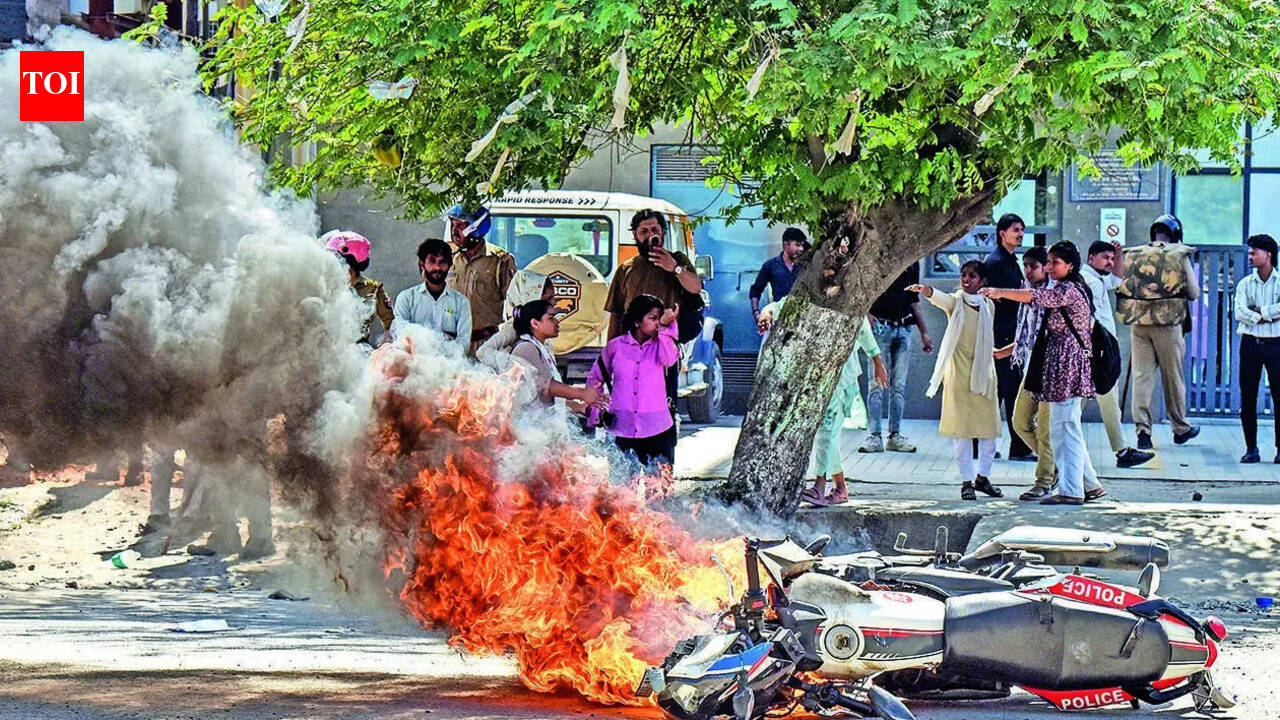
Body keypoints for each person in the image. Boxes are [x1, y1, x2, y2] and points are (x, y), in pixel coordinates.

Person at [983, 241, 1105, 506]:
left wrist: (998, 292)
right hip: (1060, 364)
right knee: (1067, 426)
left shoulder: (1069, 290)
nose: (1049, 268)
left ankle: (1071, 490)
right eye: (1048, 262)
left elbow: (1038, 298)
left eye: (1055, 263)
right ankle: (1090, 485)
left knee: (1063, 429)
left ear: (1070, 265)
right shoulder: (1070, 287)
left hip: (1067, 365)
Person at [758, 301, 889, 505]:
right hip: (813, 380)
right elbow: (782, 304)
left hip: (840, 379)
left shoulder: (850, 303)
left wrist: (877, 362)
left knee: (827, 433)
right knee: (827, 436)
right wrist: (767, 312)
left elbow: (864, 332)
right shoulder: (810, 296)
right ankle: (840, 488)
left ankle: (819, 486)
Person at [909, 262, 1004, 501]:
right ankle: (966, 482)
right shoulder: (956, 302)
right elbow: (940, 298)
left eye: (972, 276)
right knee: (962, 432)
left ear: (982, 281)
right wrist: (925, 290)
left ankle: (983, 478)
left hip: (984, 372)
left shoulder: (988, 305)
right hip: (958, 372)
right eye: (963, 275)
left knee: (989, 431)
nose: (966, 279)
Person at [1116, 214, 1201, 449]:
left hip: (1139, 323)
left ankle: (1143, 432)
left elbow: (1124, 286)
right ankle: (1180, 427)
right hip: (1168, 324)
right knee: (1173, 378)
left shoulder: (1135, 253)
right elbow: (1193, 292)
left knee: (1142, 378)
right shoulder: (1178, 253)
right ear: (1176, 234)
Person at [1082, 240, 1156, 468]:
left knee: (1106, 401)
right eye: (1105, 258)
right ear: (1091, 258)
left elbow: (1118, 279)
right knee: (1077, 405)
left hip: (1100, 351)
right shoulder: (1089, 282)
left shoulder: (1097, 279)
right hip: (1095, 352)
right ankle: (1055, 447)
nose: (1110, 262)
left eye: (1111, 258)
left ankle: (1122, 451)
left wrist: (1118, 255)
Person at [589, 295, 681, 467]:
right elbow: (595, 379)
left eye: (659, 319)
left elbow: (669, 360)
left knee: (659, 489)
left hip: (657, 429)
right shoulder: (615, 347)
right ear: (637, 321)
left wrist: (664, 327)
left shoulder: (663, 344)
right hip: (621, 428)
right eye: (653, 319)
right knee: (621, 489)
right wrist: (597, 412)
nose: (656, 323)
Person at [859, 262, 933, 454]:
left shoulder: (912, 262)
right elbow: (862, 289)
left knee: (898, 385)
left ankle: (895, 435)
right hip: (880, 326)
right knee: (876, 383)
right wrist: (866, 314)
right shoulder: (882, 256)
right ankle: (874, 435)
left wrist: (924, 332)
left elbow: (913, 298)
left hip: (903, 326)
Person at [984, 213, 1036, 461]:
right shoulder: (996, 262)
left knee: (1002, 391)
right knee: (1009, 391)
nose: (1020, 234)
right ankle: (1018, 446)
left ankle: (991, 444)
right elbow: (1003, 300)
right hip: (1002, 334)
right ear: (1002, 233)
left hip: (1009, 332)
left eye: (1022, 230)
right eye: (1016, 229)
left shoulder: (1009, 261)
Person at [1009, 247, 1057, 500]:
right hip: (1031, 368)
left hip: (1051, 371)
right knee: (1020, 422)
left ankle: (1044, 480)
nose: (1028, 270)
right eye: (1025, 265)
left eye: (1033, 266)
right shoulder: (1026, 290)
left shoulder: (1053, 293)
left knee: (1047, 429)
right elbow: (1026, 333)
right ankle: (1055, 468)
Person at [508, 299, 608, 415]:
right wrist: (582, 393)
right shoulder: (525, 348)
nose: (557, 322)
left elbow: (550, 397)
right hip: (527, 427)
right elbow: (544, 386)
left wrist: (581, 407)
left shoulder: (539, 348)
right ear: (535, 323)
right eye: (551, 318)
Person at [1234, 234, 1280, 463]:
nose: (1250, 256)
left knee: (1279, 396)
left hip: (1276, 343)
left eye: (1254, 252)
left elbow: (1250, 313)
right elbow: (1239, 312)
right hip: (1250, 343)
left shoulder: (1279, 282)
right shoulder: (1245, 283)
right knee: (1248, 396)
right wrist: (1270, 314)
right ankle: (1251, 448)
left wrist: (1260, 312)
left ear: (1268, 254)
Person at [446, 205, 517, 354]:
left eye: (461, 225)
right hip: (450, 345)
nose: (454, 230)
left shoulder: (500, 261)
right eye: (453, 224)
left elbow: (515, 308)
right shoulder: (447, 257)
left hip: (484, 345)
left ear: (477, 228)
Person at [392, 238, 472, 352]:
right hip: (413, 365)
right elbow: (400, 335)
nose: (437, 268)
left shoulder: (461, 302)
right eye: (432, 261)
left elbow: (463, 344)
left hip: (450, 366)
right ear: (422, 264)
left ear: (449, 265)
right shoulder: (406, 298)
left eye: (442, 262)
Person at [321, 229, 394, 345]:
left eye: (335, 260)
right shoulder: (322, 287)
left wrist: (385, 346)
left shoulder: (374, 289)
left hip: (359, 355)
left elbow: (391, 324)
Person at [476, 270, 554, 370]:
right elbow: (483, 352)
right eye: (548, 299)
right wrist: (512, 366)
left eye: (553, 297)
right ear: (531, 298)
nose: (554, 303)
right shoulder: (514, 328)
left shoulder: (539, 327)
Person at [749, 227, 807, 323]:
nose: (801, 249)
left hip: (801, 319)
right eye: (797, 245)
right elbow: (756, 290)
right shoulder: (770, 265)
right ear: (786, 244)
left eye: (802, 245)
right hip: (778, 318)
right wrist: (756, 313)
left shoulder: (805, 266)